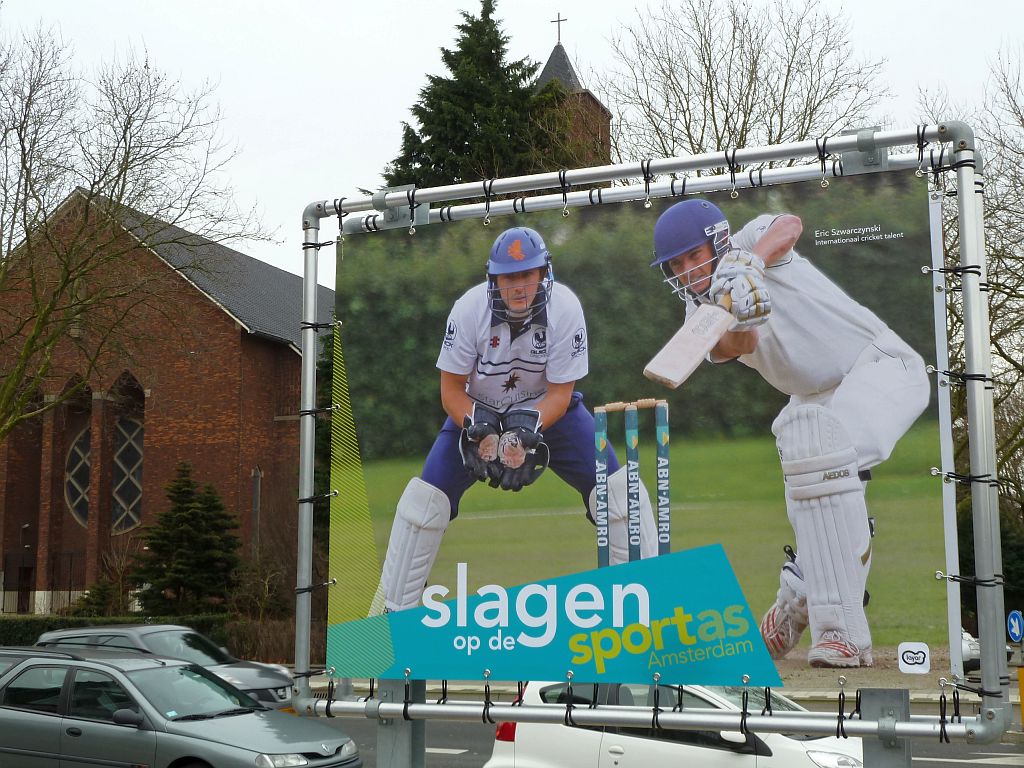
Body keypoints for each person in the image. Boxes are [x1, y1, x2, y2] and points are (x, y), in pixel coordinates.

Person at [649, 199, 929, 668]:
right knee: (817, 495)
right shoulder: (700, 316)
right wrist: (740, 312)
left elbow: (789, 225)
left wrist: (749, 264)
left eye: (691, 257)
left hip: (878, 365)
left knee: (827, 461)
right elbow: (743, 344)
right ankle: (796, 598)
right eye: (675, 265)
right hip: (809, 400)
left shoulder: (750, 237)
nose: (685, 271)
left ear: (717, 241)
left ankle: (838, 631)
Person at [374, 226, 657, 614]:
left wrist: (530, 426)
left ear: (544, 274)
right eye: (509, 277)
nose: (519, 286)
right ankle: (388, 624)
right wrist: (476, 426)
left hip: (547, 413)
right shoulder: (469, 309)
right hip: (477, 413)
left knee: (621, 494)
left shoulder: (566, 308)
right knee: (422, 508)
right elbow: (451, 391)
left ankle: (646, 609)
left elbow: (560, 392)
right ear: (494, 280)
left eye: (527, 274)